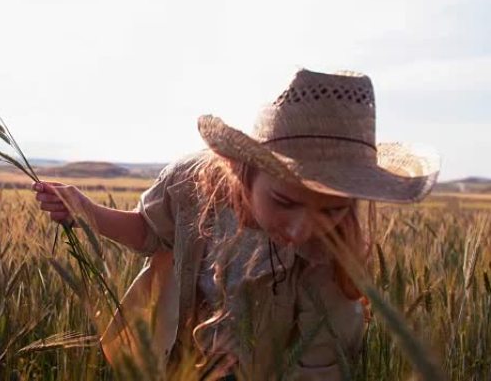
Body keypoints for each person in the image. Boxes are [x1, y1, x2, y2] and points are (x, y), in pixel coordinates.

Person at [32, 69, 440, 380]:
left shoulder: (332, 262)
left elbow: (320, 365)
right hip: (171, 358)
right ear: (244, 171)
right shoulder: (189, 182)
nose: (300, 229)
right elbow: (148, 233)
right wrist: (87, 211)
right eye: (284, 201)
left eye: (332, 210)